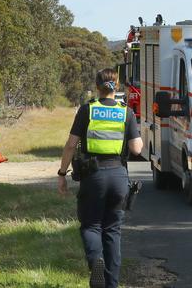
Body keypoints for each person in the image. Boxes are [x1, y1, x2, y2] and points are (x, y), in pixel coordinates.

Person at [57, 68, 142, 288]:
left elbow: (70, 145)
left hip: (93, 176)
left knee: (91, 226)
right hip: (118, 176)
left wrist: (61, 174)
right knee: (113, 230)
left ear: (97, 86)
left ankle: (96, 262)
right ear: (118, 86)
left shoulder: (87, 110)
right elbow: (136, 148)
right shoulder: (126, 112)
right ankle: (111, 284)